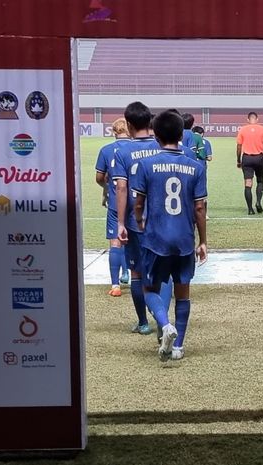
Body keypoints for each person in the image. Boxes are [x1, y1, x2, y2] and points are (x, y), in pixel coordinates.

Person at [130, 110, 208, 361]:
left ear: (156, 135)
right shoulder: (196, 167)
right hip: (185, 239)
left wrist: (140, 224)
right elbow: (199, 208)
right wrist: (203, 241)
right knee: (183, 291)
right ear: (181, 135)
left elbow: (139, 204)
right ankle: (178, 347)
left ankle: (165, 325)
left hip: (156, 238)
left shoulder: (146, 165)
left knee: (149, 287)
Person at [112, 101, 172, 336]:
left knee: (137, 273)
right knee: (163, 272)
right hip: (163, 219)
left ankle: (143, 322)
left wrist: (119, 223)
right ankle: (163, 321)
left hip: (136, 222)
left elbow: (122, 189)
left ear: (127, 124)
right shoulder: (162, 148)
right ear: (150, 122)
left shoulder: (123, 152)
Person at [95, 117, 130, 297]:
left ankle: (116, 285)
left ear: (114, 132)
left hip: (116, 202)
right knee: (138, 242)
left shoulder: (106, 150)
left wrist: (107, 189)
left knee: (115, 242)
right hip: (137, 203)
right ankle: (141, 279)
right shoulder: (138, 149)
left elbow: (99, 178)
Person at [236, 112, 263, 215]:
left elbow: (239, 146)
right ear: (257, 119)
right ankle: (258, 202)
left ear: (248, 119)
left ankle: (250, 209)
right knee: (260, 181)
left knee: (248, 183)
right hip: (259, 158)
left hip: (247, 158)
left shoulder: (242, 129)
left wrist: (238, 159)